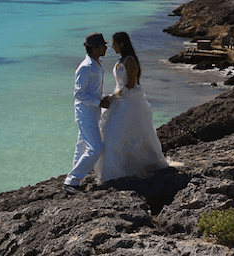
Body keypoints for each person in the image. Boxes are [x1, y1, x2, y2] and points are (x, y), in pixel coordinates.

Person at [93, 31, 169, 183]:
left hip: (130, 102)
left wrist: (112, 97)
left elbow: (131, 85)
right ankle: (117, 167)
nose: (112, 47)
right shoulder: (121, 60)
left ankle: (130, 166)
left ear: (122, 44)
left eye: (114, 44)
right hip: (120, 100)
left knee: (121, 133)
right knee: (112, 133)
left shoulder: (130, 61)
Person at [63, 33, 111, 194]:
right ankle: (72, 180)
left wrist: (100, 100)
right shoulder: (85, 67)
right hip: (86, 112)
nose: (106, 47)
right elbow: (78, 93)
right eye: (103, 45)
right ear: (95, 48)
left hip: (92, 111)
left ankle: (75, 180)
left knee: (82, 146)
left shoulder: (96, 64)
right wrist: (99, 102)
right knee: (96, 147)